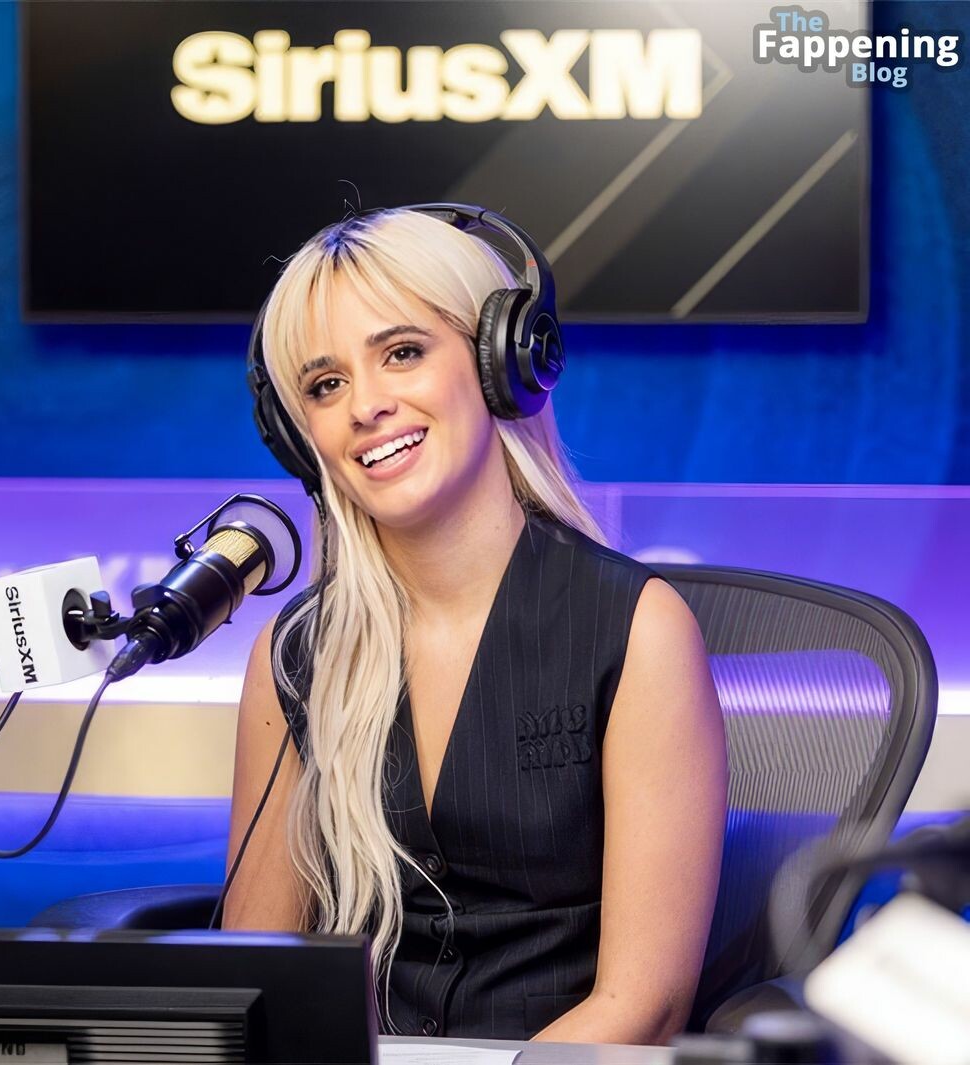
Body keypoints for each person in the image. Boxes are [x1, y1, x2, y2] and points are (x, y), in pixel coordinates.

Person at [225, 205, 726, 1044]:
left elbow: (645, 1004)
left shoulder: (637, 631)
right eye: (325, 385)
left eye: (402, 352)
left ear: (502, 362)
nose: (366, 405)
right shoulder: (295, 655)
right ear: (297, 435)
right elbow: (257, 974)